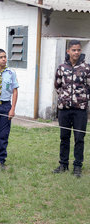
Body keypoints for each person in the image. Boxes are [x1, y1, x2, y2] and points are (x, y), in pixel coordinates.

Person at [53, 40, 90, 178]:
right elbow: (57, 85)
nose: (76, 52)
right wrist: (65, 98)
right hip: (64, 109)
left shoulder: (86, 68)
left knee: (79, 138)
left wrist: (81, 99)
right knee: (64, 137)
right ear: (68, 51)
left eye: (78, 50)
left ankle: (77, 166)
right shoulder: (62, 67)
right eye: (73, 50)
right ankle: (63, 164)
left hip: (80, 110)